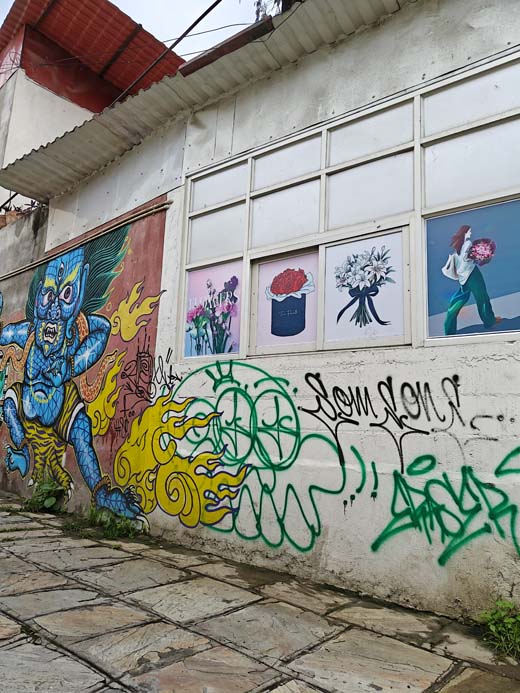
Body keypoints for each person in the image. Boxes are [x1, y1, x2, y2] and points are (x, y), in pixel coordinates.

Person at [444, 225, 500, 335]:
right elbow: (468, 257)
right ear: (465, 233)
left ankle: (449, 330)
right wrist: (481, 255)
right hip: (473, 274)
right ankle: (489, 321)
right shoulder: (467, 243)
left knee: (457, 302)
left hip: (463, 277)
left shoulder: (458, 247)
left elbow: (462, 261)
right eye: (469, 231)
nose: (470, 233)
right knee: (482, 298)